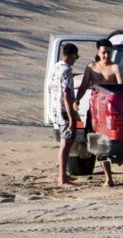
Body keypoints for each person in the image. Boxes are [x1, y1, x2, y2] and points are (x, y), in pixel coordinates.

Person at [75, 39, 123, 187]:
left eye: (109, 53)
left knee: (118, 142)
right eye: (103, 52)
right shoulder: (91, 67)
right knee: (98, 143)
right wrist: (77, 100)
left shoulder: (115, 67)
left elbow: (122, 87)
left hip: (111, 110)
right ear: (98, 52)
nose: (106, 55)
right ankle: (108, 178)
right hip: (95, 110)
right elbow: (84, 85)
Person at [49, 43, 79, 187]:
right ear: (71, 55)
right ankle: (62, 178)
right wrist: (71, 117)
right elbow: (66, 95)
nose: (76, 59)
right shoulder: (66, 70)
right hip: (64, 112)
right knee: (66, 144)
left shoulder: (56, 67)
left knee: (67, 142)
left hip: (55, 109)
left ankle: (64, 175)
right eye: (76, 56)